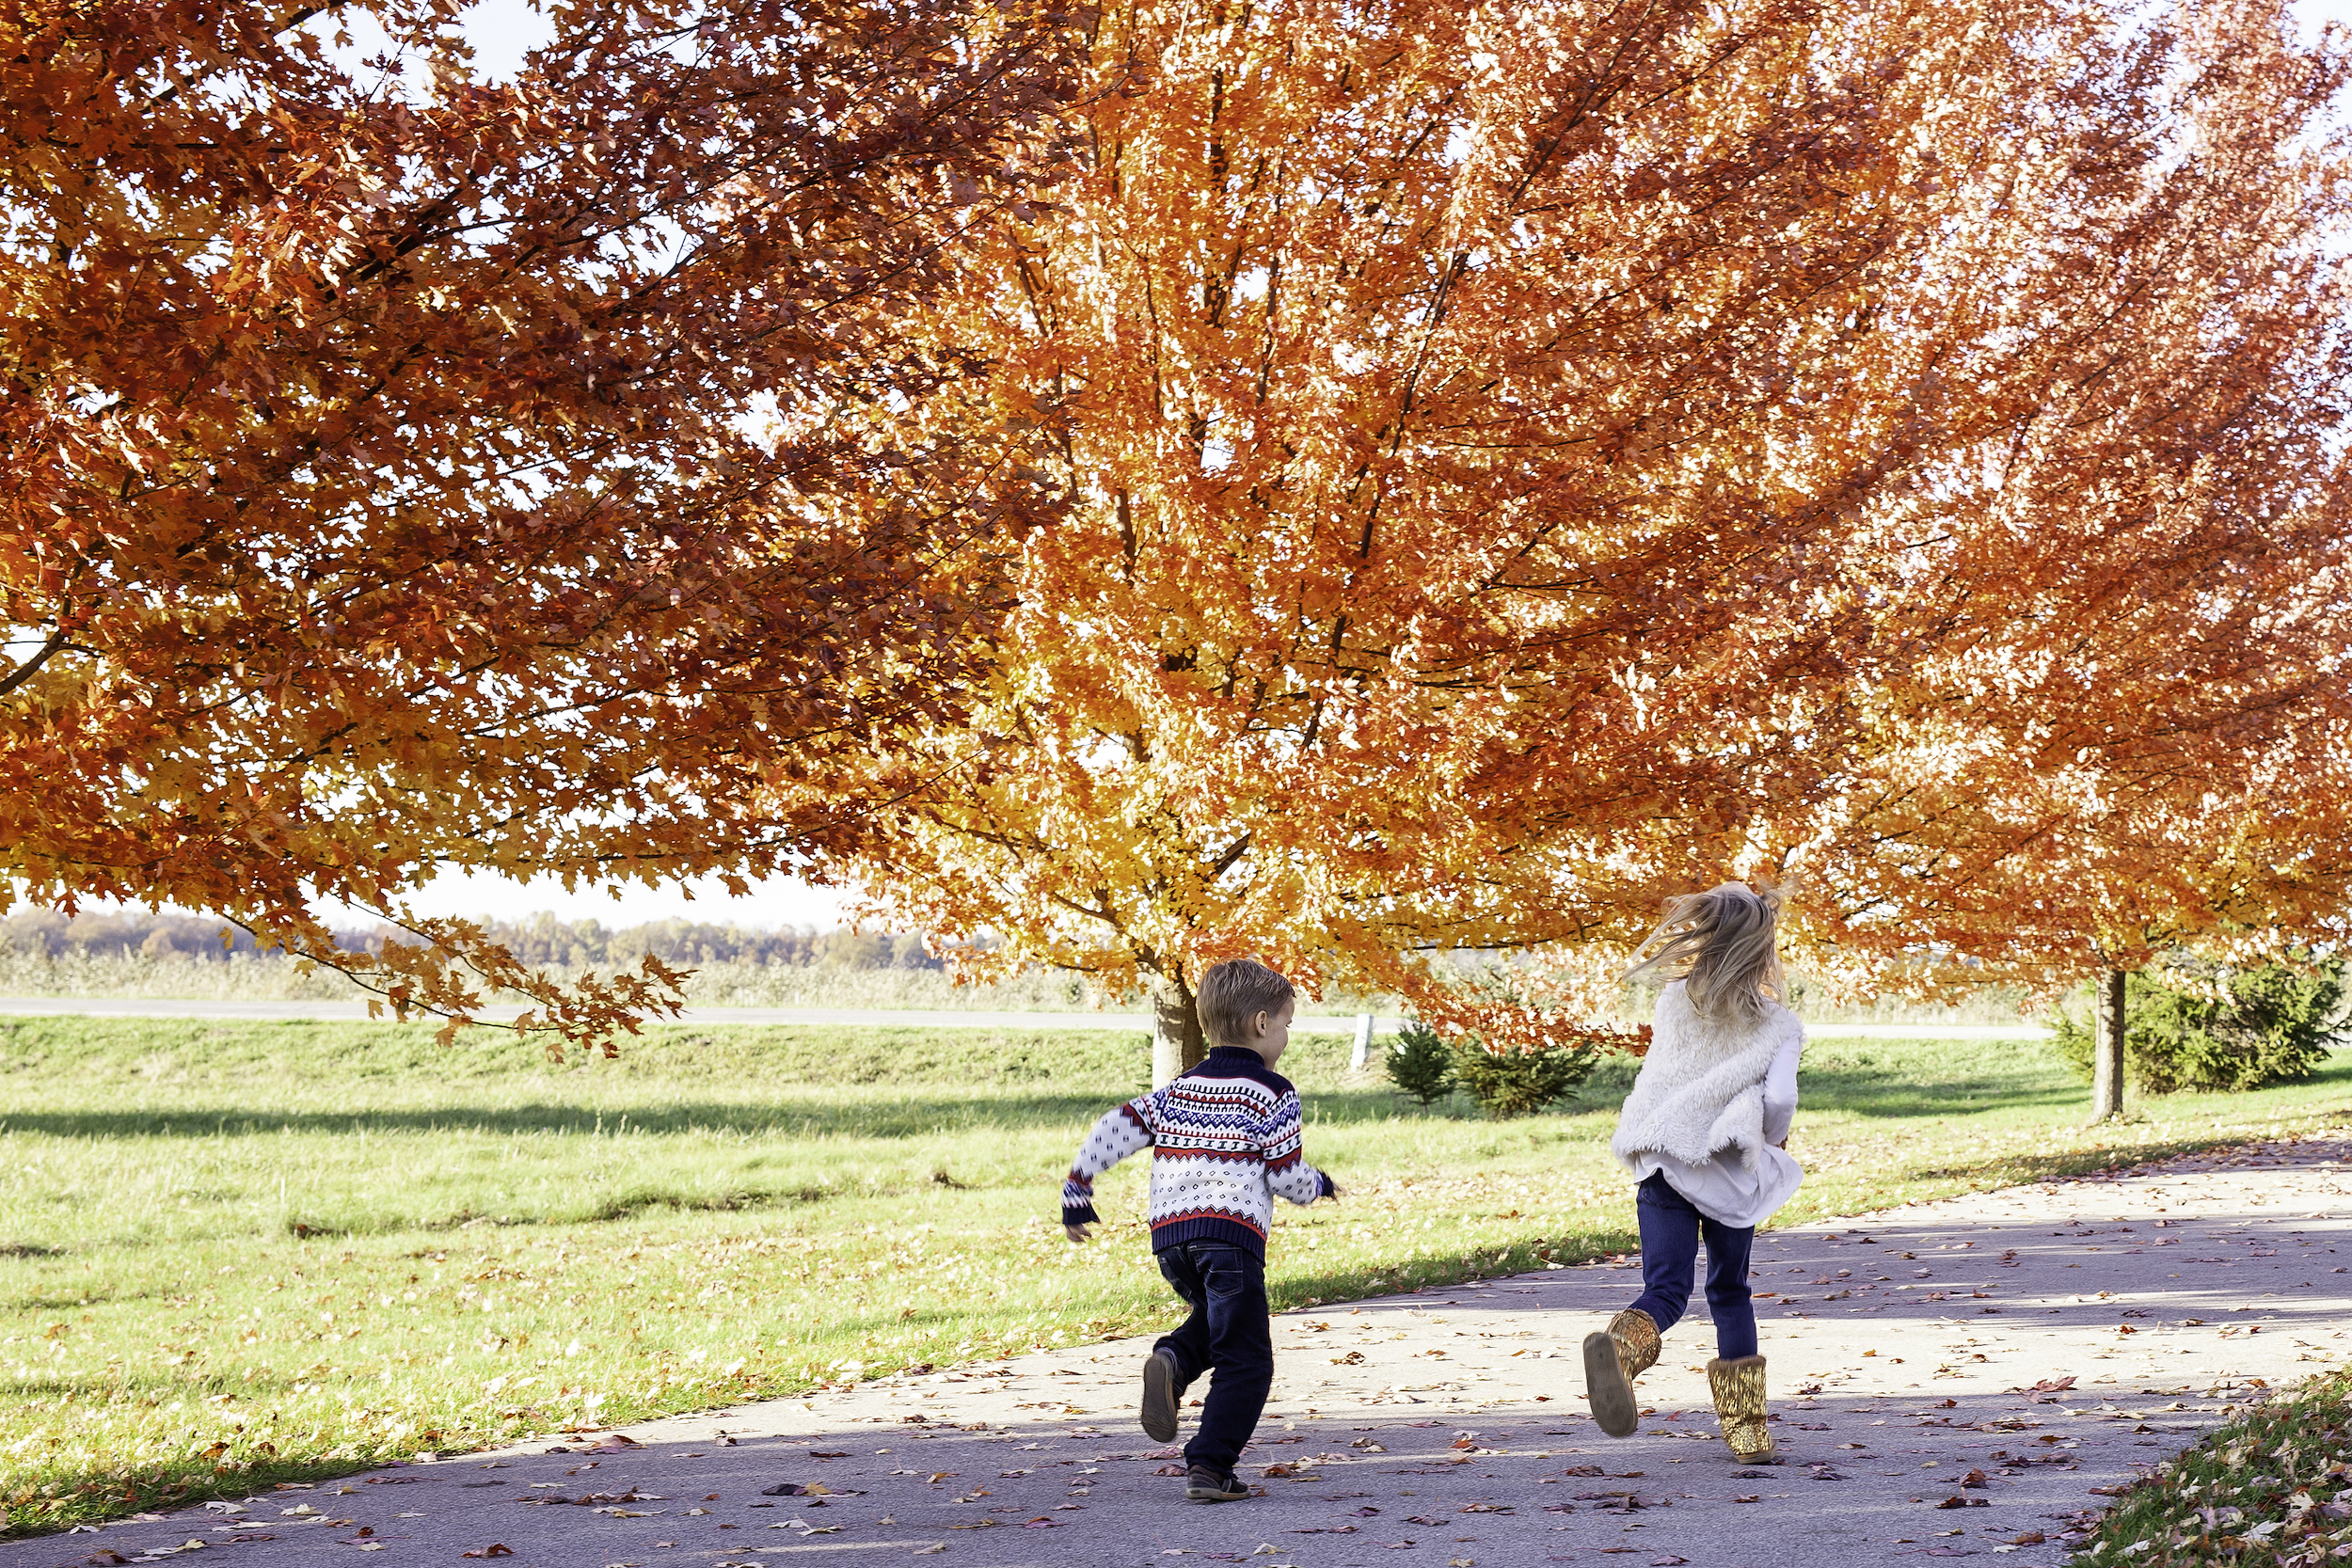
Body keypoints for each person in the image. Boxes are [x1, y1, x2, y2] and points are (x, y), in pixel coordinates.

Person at [1061, 958, 1339, 1502]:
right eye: (1286, 1024)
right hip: (1230, 1236)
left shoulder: (1176, 1089)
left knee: (1217, 1324)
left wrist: (1078, 1188)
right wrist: (1320, 1185)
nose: (1285, 1035)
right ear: (1262, 1023)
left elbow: (1113, 1127)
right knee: (1247, 1358)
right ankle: (1211, 1467)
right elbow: (1284, 1175)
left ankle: (1174, 1360)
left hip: (1171, 1238)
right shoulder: (1273, 1090)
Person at [1584, 882, 1804, 1464]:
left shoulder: (1675, 1001)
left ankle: (1623, 1348)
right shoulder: (1779, 1025)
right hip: (1727, 1169)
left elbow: (1666, 1070)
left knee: (1665, 1289)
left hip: (1661, 1156)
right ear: (1763, 953)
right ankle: (1748, 1433)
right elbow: (1779, 1097)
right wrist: (1773, 1136)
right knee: (1729, 1291)